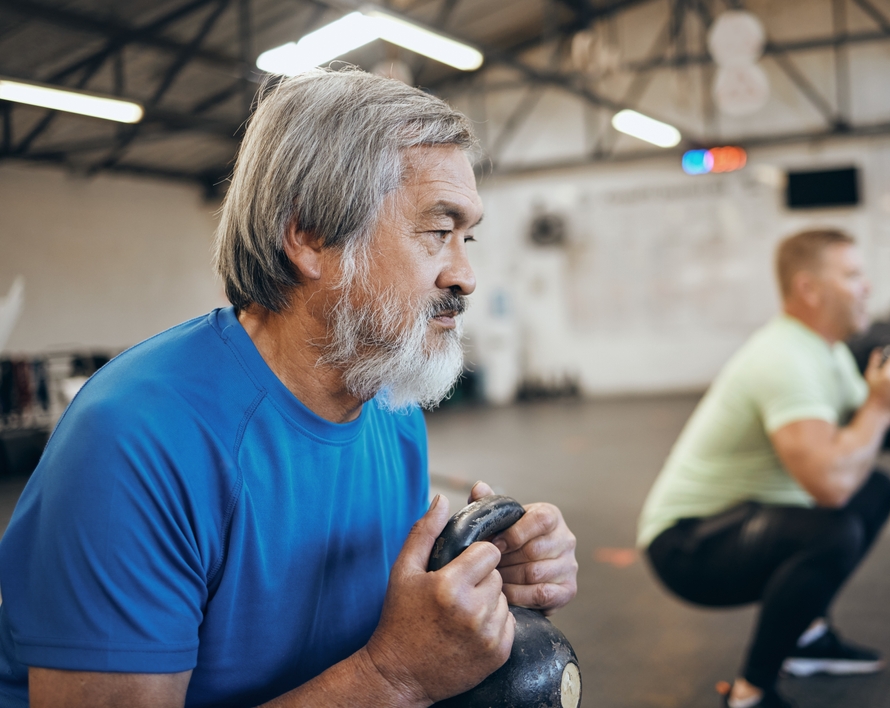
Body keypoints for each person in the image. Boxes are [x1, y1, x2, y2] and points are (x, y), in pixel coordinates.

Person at [0, 69, 578, 707]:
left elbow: (373, 622)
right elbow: (390, 667)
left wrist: (479, 579)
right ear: (309, 236)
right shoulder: (136, 441)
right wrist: (396, 677)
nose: (465, 275)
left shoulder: (390, 405)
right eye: (437, 232)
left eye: (467, 237)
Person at [637, 229, 890, 708]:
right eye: (852, 275)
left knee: (874, 491)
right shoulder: (784, 357)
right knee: (833, 529)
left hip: (745, 519)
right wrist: (882, 406)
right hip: (686, 547)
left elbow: (878, 436)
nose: (867, 287)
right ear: (810, 289)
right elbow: (831, 483)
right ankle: (751, 693)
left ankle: (808, 638)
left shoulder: (826, 351)